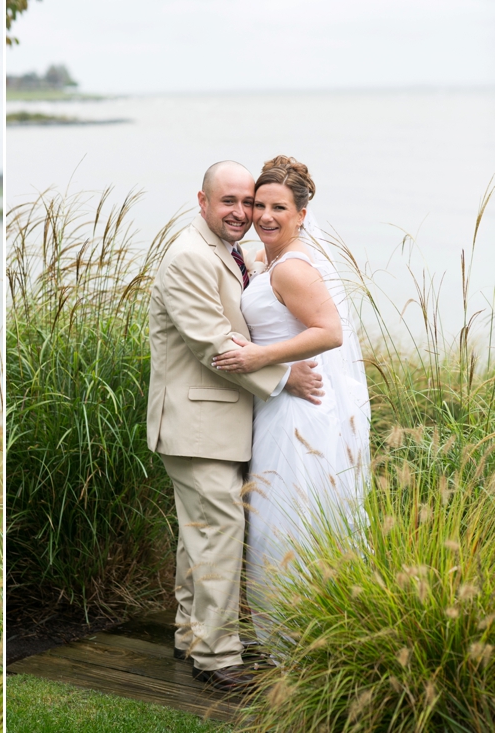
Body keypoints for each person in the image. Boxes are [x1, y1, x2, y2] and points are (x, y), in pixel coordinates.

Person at [147, 161, 324, 693]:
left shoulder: (233, 254)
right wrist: (284, 376)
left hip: (219, 423)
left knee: (199, 536)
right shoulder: (186, 258)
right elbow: (212, 343)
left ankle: (189, 636)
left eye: (248, 202)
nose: (242, 213)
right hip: (195, 422)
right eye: (229, 201)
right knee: (220, 534)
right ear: (201, 201)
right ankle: (218, 658)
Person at [211, 156, 370, 644]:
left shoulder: (293, 269)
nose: (264, 216)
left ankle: (297, 637)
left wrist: (263, 357)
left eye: (279, 207)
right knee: (281, 512)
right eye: (259, 205)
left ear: (302, 213)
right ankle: (300, 630)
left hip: (301, 407)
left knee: (290, 514)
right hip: (281, 401)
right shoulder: (269, 261)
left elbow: (330, 332)